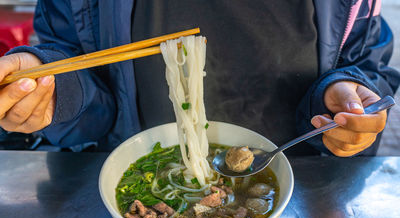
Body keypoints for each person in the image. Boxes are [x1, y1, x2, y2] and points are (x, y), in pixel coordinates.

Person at [0, 0, 398, 156]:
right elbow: (73, 60)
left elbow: (363, 59)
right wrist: (54, 91)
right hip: (135, 177)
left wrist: (345, 102)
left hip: (302, 191)